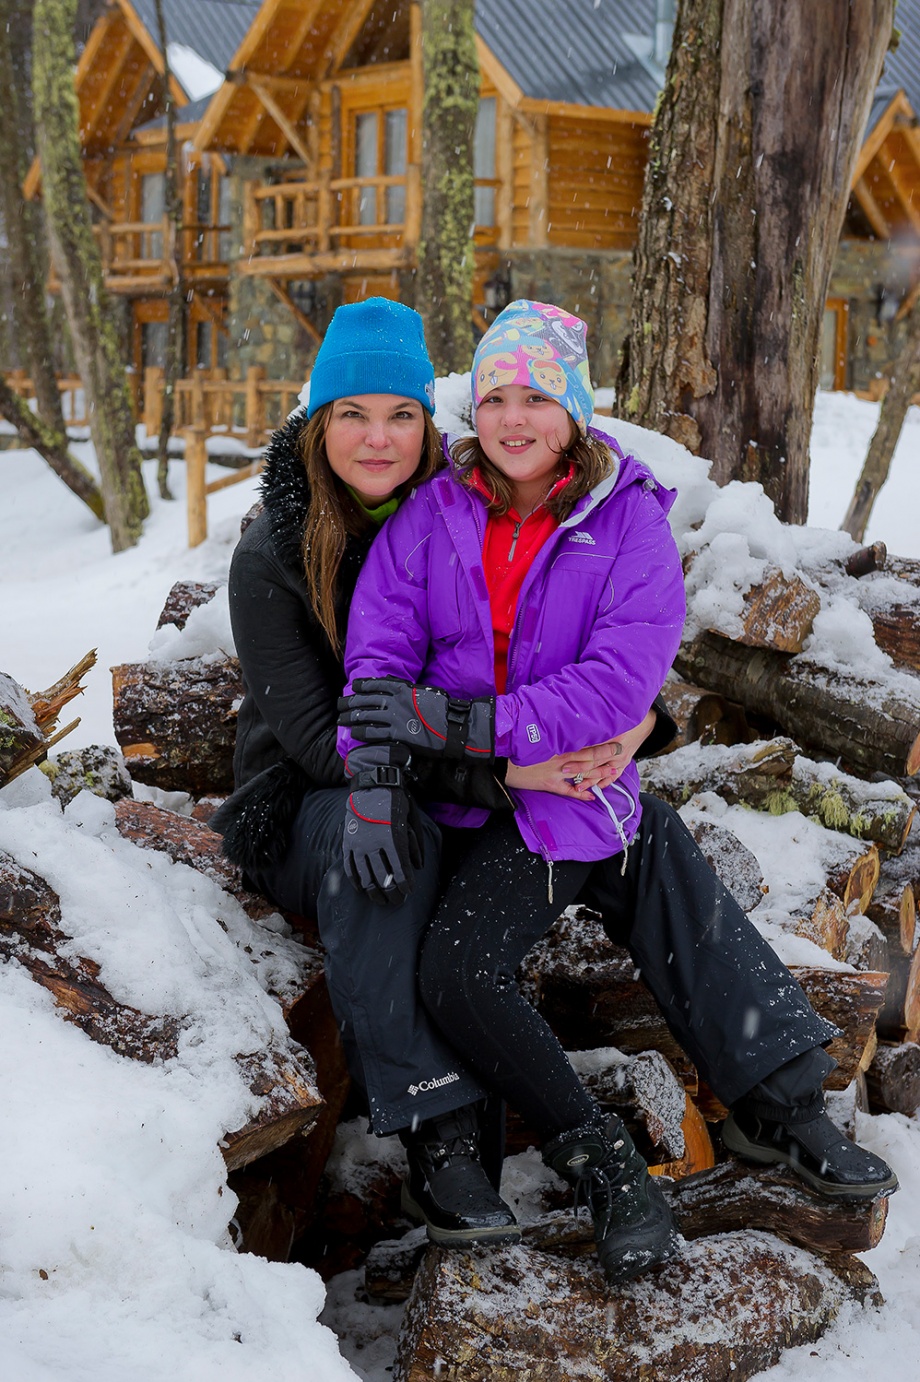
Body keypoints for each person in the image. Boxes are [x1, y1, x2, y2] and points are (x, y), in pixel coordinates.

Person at [337, 299, 898, 1284]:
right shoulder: (431, 514)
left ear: (576, 411)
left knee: (650, 857)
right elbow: (375, 671)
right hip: (464, 805)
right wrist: (401, 773)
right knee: (471, 963)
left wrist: (467, 721)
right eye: (497, 394)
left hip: (570, 797)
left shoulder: (624, 517)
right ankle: (606, 1165)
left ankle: (785, 1106)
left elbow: (615, 685)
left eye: (539, 398)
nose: (515, 418)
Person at [212, 296, 674, 1262]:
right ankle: (440, 1132)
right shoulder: (272, 550)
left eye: (401, 414)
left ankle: (736, 1092)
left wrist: (639, 723)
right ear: (317, 424)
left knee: (461, 889)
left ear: (430, 423)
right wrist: (510, 775)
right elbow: (314, 735)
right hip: (311, 793)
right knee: (372, 840)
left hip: (449, 773)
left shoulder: (459, 502)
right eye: (352, 414)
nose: (377, 438)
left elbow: (544, 648)